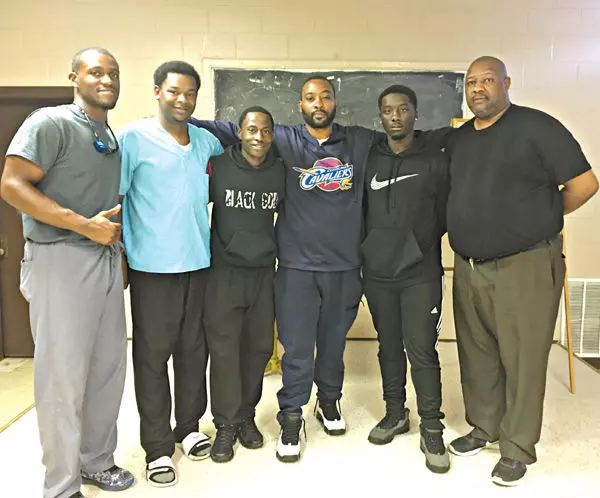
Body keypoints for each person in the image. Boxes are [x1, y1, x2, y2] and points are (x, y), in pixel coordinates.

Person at [192, 76, 449, 462]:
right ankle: (291, 415)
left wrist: (465, 133)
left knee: (333, 345)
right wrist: (180, 120)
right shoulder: (283, 138)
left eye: (325, 96)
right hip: (296, 267)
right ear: (300, 105)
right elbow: (230, 129)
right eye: (310, 98)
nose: (318, 103)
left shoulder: (360, 140)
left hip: (345, 266)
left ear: (334, 102)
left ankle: (328, 400)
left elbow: (410, 136)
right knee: (297, 349)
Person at [446, 56, 598, 487]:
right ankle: (485, 427)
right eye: (471, 82)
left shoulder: (538, 127)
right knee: (477, 353)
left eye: (487, 80)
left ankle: (516, 448)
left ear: (506, 83)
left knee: (523, 358)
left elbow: (585, 184)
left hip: (525, 265)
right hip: (469, 266)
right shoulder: (460, 139)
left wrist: (542, 217)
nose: (478, 88)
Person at [0, 47, 134, 498]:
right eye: (96, 71)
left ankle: (97, 462)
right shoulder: (50, 122)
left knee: (106, 370)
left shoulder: (107, 134)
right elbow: (11, 184)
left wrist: (115, 252)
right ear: (74, 77)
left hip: (104, 260)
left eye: (113, 73)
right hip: (60, 258)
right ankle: (61, 485)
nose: (107, 79)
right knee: (62, 378)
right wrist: (83, 226)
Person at [118, 61, 223, 487]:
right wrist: (120, 258)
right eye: (174, 91)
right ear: (157, 91)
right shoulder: (132, 138)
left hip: (199, 263)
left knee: (194, 352)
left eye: (190, 93)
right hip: (152, 268)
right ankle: (158, 447)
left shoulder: (205, 142)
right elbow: (116, 199)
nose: (183, 100)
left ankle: (189, 426)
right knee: (152, 358)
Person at [362, 85, 450, 474]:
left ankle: (432, 427)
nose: (395, 116)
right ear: (380, 115)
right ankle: (396, 413)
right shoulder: (369, 158)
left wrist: (416, 246)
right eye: (387, 110)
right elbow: (360, 210)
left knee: (422, 350)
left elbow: (445, 212)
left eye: (402, 109)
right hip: (378, 273)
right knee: (388, 346)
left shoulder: (436, 159)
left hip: (420, 273)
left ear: (415, 113)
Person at [204, 106, 285, 463]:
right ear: (239, 132)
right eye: (252, 129)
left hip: (263, 273)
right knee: (224, 352)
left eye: (265, 131)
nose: (258, 137)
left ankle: (246, 416)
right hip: (224, 273)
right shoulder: (218, 167)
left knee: (257, 349)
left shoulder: (280, 172)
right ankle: (225, 424)